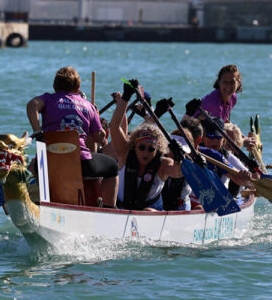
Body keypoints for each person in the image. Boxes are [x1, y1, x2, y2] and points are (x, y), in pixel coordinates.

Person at [26, 66, 119, 208]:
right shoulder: (88, 106)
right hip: (80, 162)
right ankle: (108, 209)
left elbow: (32, 105)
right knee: (112, 166)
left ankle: (46, 200)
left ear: (55, 86)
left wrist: (37, 131)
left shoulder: (49, 99)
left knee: (35, 165)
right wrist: (96, 117)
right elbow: (100, 139)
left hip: (50, 161)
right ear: (78, 87)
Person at [109, 80, 183, 211]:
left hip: (151, 211)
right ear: (135, 145)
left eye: (151, 149)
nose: (146, 152)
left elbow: (179, 173)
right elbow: (115, 127)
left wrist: (179, 159)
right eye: (142, 148)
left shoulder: (164, 164)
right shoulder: (124, 154)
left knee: (147, 212)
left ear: (158, 149)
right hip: (122, 209)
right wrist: (126, 97)